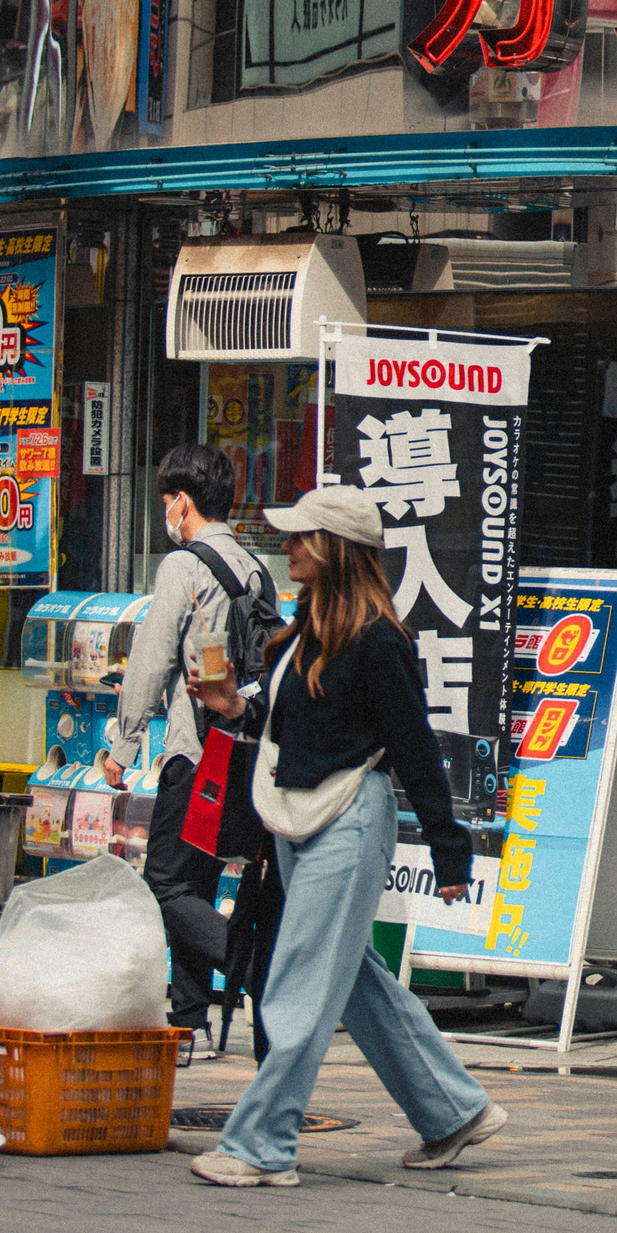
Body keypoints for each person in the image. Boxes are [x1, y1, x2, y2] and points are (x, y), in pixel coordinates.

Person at [184, 484, 507, 1187]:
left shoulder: (377, 641)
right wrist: (231, 705)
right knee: (353, 978)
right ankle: (453, 1110)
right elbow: (287, 721)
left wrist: (451, 848)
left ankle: (261, 1145)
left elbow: (415, 748)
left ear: (333, 549)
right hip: (305, 819)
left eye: (302, 537)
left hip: (347, 821)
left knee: (300, 981)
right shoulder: (307, 630)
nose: (289, 546)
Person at [103, 443, 276, 1045]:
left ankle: (256, 970)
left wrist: (122, 747)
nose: (165, 513)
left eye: (166, 500)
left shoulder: (183, 566)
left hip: (194, 751)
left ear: (181, 501)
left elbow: (151, 662)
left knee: (167, 884)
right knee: (197, 882)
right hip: (241, 748)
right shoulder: (255, 569)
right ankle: (187, 1018)